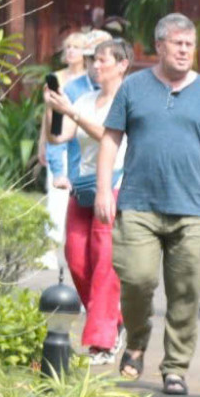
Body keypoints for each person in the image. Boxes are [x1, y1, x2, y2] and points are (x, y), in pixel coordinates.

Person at [96, 13, 200, 397]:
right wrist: (101, 190)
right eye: (176, 43)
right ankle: (137, 340)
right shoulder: (134, 88)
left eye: (189, 45)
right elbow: (110, 139)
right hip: (139, 203)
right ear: (159, 46)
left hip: (192, 208)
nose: (183, 51)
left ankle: (175, 366)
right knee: (138, 278)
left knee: (186, 291)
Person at [43, 38, 130, 362]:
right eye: (94, 60)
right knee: (76, 257)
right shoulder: (87, 98)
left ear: (122, 64)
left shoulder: (127, 100)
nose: (96, 66)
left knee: (105, 262)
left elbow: (111, 137)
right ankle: (115, 322)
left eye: (103, 60)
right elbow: (60, 137)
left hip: (115, 186)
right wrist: (55, 109)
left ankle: (101, 343)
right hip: (83, 187)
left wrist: (73, 115)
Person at [39, 30, 96, 265]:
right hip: (61, 142)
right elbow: (50, 117)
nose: (72, 51)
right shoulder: (59, 80)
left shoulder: (95, 82)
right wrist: (43, 142)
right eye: (69, 46)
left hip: (86, 150)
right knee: (56, 198)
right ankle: (50, 247)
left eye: (77, 47)